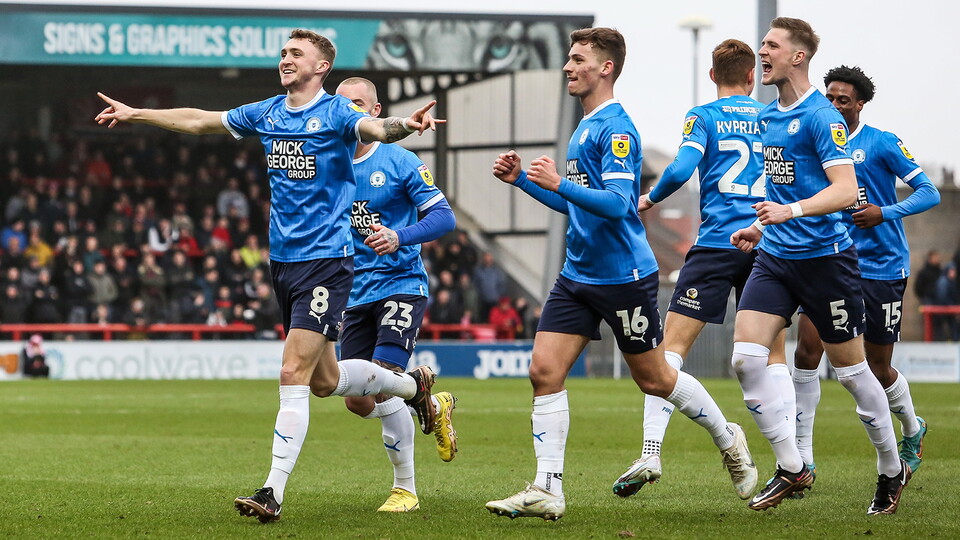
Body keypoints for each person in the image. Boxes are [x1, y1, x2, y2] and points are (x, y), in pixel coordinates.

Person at [95, 28, 445, 523]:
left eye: (296, 53)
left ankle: (271, 491)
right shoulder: (268, 112)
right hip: (284, 263)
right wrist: (137, 114)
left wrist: (405, 124)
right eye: (284, 52)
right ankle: (414, 387)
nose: (285, 59)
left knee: (291, 373)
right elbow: (199, 121)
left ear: (321, 67)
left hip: (328, 260)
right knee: (326, 381)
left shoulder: (339, 113)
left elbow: (379, 131)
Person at [484, 27, 757, 522]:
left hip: (623, 278)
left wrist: (559, 181)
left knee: (654, 379)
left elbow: (616, 205)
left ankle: (727, 436)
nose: (568, 67)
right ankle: (548, 487)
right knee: (543, 372)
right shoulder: (584, 126)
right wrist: (523, 180)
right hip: (577, 274)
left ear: (605, 67)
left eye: (577, 59)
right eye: (569, 59)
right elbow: (576, 205)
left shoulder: (617, 128)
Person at [729, 18, 907, 514]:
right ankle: (792, 466)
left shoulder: (821, 117)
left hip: (827, 263)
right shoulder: (766, 118)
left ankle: (892, 471)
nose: (761, 51)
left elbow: (847, 191)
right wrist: (763, 227)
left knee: (853, 373)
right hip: (775, 258)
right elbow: (782, 190)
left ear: (797, 56)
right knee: (745, 358)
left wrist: (791, 211)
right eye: (762, 44)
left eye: (771, 45)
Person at [614, 38, 791, 498]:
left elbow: (681, 167)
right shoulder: (773, 116)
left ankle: (651, 451)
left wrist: (651, 197)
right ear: (752, 77)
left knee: (668, 351)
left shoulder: (704, 116)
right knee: (772, 356)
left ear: (713, 76)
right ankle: (793, 461)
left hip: (715, 245)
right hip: (769, 243)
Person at [309, 76, 459, 513]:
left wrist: (400, 236)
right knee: (356, 400)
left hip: (400, 285)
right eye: (342, 105)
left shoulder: (400, 161)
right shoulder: (325, 165)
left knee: (382, 377)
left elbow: (444, 218)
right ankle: (426, 397)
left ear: (375, 113)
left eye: (358, 104)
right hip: (351, 292)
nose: (350, 112)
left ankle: (405, 489)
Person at [790, 65, 939, 490]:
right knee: (805, 352)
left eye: (844, 100)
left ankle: (912, 428)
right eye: (830, 97)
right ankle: (803, 457)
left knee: (877, 367)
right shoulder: (815, 140)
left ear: (860, 104)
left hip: (881, 268)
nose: (835, 105)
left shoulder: (881, 143)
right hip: (829, 262)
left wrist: (884, 212)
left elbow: (930, 192)